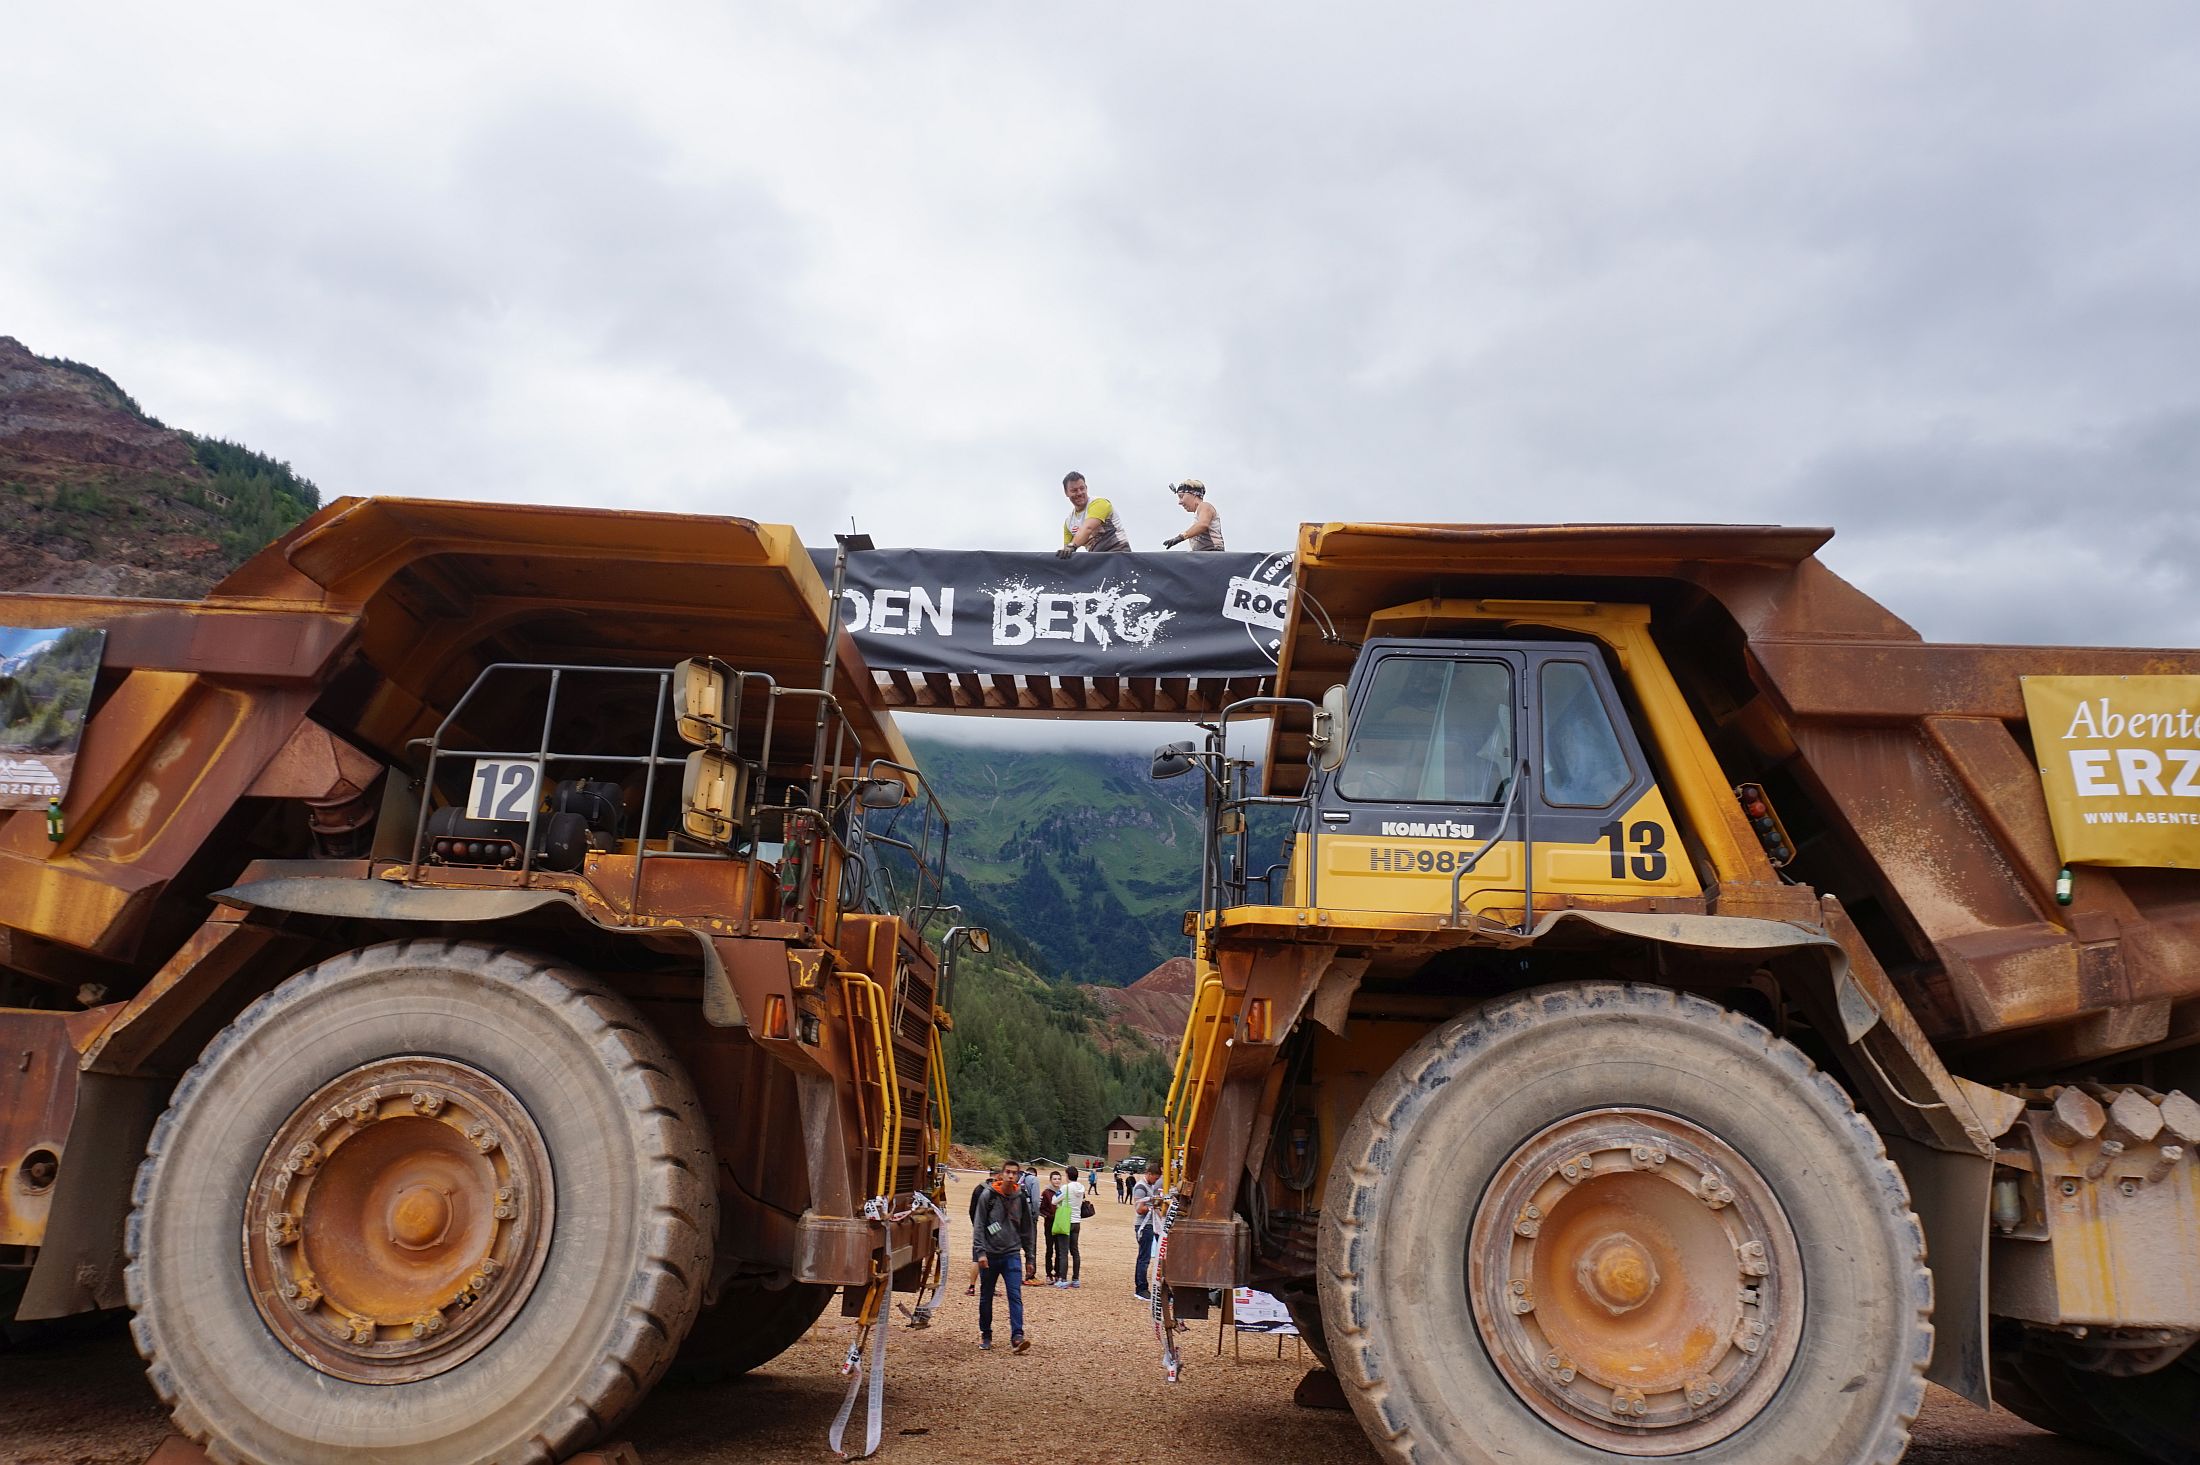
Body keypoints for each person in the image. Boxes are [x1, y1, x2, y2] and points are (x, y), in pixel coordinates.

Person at [974, 1161, 1032, 1352]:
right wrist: (980, 1253)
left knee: (1015, 1295)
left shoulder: (1020, 1198)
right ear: (1001, 1174)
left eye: (1014, 1173)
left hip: (1012, 1254)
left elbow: (1027, 1230)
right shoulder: (988, 1195)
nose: (1010, 1176)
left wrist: (1030, 1257)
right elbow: (979, 1225)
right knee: (986, 1296)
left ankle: (1017, 1336)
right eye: (1007, 1172)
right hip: (990, 1255)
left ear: (1018, 1176)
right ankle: (986, 1334)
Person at [1057, 472, 1130, 557]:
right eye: (1074, 490)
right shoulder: (1069, 523)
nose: (1079, 493)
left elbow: (1088, 528)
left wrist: (1072, 546)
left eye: (1082, 488)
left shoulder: (1099, 503)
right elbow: (1066, 550)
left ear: (1086, 488)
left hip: (1119, 553)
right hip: (1097, 560)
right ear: (1066, 493)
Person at [1132, 1158, 1164, 1300]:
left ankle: (1143, 1287)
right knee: (1144, 1258)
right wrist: (1153, 1206)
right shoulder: (1141, 1187)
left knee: (1146, 1257)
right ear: (1149, 1174)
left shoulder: (1150, 1186)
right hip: (1144, 1225)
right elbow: (1139, 1209)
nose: (1155, 1181)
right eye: (1155, 1178)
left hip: (1151, 1224)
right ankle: (1141, 1288)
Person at [1161, 479, 1224, 550]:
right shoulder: (1199, 513)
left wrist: (1181, 537)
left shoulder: (1204, 506)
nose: (1179, 502)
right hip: (1205, 555)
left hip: (1212, 554)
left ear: (1194, 494)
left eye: (1181, 496)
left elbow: (1203, 525)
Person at [1051, 1164, 1087, 1288]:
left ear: (1067, 1175)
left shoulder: (1065, 1188)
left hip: (1066, 1220)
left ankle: (1063, 1278)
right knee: (1075, 1251)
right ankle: (1076, 1278)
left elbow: (1054, 1200)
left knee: (1063, 1251)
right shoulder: (1081, 1187)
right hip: (1077, 1221)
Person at [1039, 1170, 1065, 1283]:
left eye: (1059, 1179)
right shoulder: (1046, 1193)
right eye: (1054, 1179)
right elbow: (1042, 1209)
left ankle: (1058, 1273)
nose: (1057, 1181)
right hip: (1050, 1225)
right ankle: (1048, 1273)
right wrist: (1049, 1216)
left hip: (1060, 1225)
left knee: (1059, 1250)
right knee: (1049, 1249)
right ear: (1050, 1180)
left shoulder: (1063, 1191)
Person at [1019, 1161, 1042, 1275]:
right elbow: (1036, 1201)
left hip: (1015, 1216)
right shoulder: (1034, 1180)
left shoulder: (1017, 1178)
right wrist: (1035, 1216)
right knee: (1031, 1245)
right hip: (1028, 1216)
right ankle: (1030, 1274)